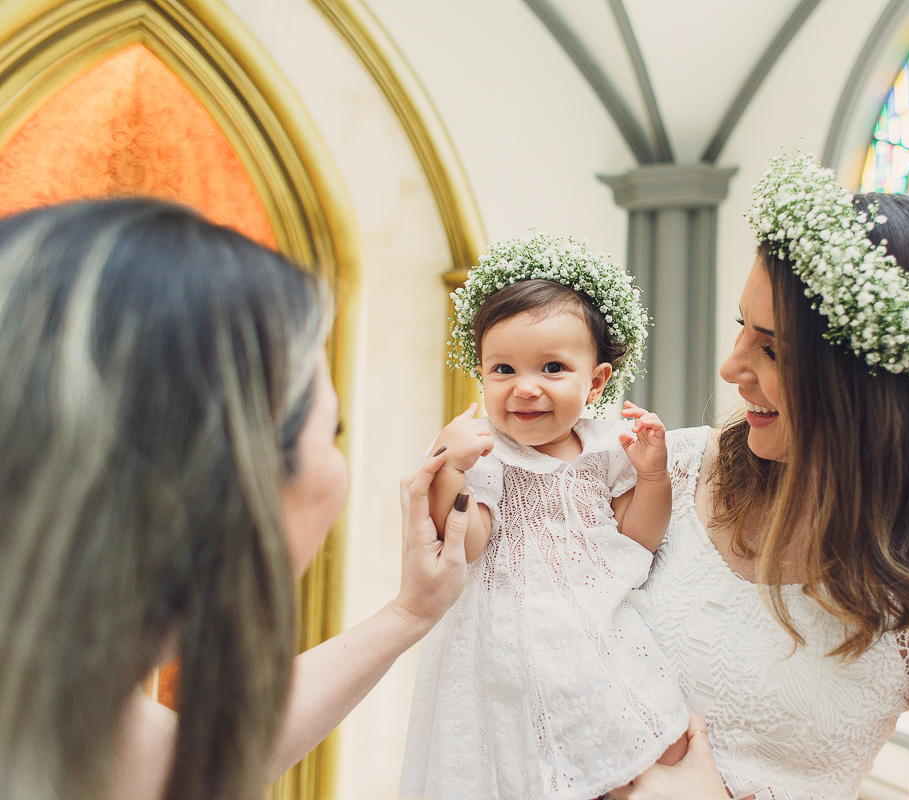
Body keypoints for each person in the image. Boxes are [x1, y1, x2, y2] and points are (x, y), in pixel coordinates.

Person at [612, 153, 909, 800]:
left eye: (771, 347)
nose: (731, 367)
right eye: (743, 326)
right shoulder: (668, 473)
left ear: (862, 379)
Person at [0, 198, 470, 800]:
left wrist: (411, 612)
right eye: (331, 431)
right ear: (225, 472)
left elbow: (169, 761)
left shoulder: (60, 692)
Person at [399, 234, 689, 800]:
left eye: (552, 368)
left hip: (598, 619)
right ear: (481, 374)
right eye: (503, 369)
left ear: (597, 381)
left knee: (641, 732)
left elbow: (637, 538)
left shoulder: (606, 448)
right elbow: (470, 540)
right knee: (518, 746)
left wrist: (653, 477)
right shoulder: (486, 449)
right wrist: (451, 468)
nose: (525, 388)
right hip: (509, 623)